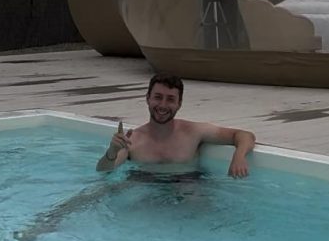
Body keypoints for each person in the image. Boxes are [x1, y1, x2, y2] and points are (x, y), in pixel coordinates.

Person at [96, 73, 255, 177]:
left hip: (188, 186)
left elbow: (244, 135)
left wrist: (238, 157)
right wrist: (111, 152)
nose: (163, 105)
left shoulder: (193, 132)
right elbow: (104, 170)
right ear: (148, 99)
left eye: (170, 99)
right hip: (145, 187)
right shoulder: (133, 140)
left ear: (179, 104)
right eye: (158, 97)